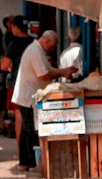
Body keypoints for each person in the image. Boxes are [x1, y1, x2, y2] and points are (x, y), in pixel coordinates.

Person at [12, 29, 75, 170]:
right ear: (46, 41)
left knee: (26, 129)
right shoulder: (35, 51)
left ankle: (25, 163)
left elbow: (48, 70)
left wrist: (62, 71)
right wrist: (63, 72)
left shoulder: (38, 51)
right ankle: (30, 162)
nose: (52, 49)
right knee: (29, 130)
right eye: (52, 46)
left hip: (28, 95)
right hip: (28, 96)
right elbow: (43, 74)